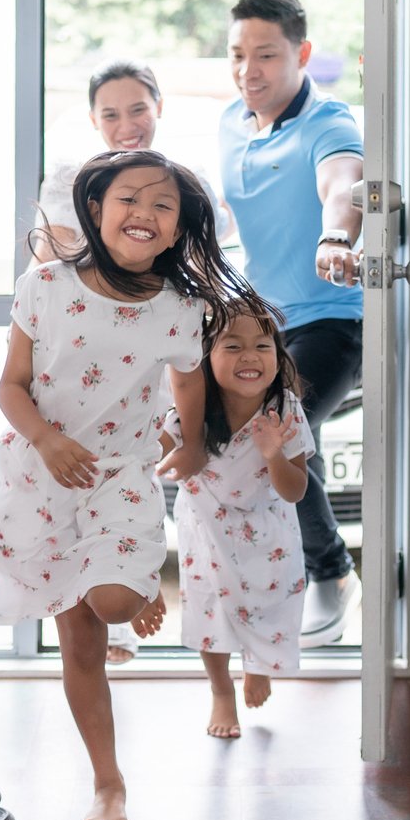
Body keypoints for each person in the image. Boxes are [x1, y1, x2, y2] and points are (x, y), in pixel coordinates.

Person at [0, 149, 245, 820]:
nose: (144, 213)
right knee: (82, 644)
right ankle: (108, 782)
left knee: (114, 602)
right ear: (96, 208)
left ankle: (133, 580)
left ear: (179, 227)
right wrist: (46, 439)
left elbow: (188, 384)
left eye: (162, 205)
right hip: (43, 472)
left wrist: (191, 443)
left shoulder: (181, 308)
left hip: (119, 474)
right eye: (129, 198)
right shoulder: (44, 285)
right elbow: (11, 385)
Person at [34, 60, 228, 663]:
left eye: (138, 109)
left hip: (153, 350)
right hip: (81, 358)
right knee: (75, 492)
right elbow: (53, 255)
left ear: (159, 107)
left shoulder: (181, 184)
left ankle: (133, 583)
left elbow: (208, 263)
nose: (127, 124)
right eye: (111, 113)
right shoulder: (76, 183)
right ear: (93, 119)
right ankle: (112, 610)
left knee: (137, 473)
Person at [206, 0, 366, 646]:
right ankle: (304, 576)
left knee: (272, 427)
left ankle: (331, 573)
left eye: (266, 55)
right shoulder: (231, 122)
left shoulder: (327, 122)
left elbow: (343, 183)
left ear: (302, 55)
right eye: (237, 55)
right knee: (288, 433)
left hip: (332, 319)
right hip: (262, 324)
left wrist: (337, 237)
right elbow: (231, 213)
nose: (249, 70)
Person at [164, 296, 312, 738]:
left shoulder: (285, 408)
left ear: (277, 356)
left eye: (262, 346)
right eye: (232, 346)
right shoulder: (191, 408)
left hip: (269, 531)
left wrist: (274, 455)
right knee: (209, 611)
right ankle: (221, 691)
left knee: (271, 603)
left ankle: (260, 663)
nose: (250, 356)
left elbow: (296, 490)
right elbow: (153, 452)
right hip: (205, 530)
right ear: (204, 358)